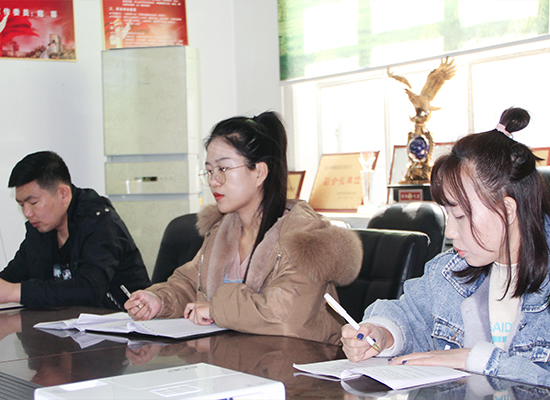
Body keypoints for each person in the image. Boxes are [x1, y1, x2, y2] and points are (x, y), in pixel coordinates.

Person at [341, 107, 550, 386]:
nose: (450, 232)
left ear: (507, 210)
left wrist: (478, 360)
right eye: (448, 215)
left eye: (461, 216)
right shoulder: (450, 270)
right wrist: (383, 334)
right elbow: (411, 315)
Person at [125, 111, 363, 344]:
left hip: (300, 363)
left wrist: (216, 308)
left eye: (223, 169)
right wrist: (159, 301)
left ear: (259, 172)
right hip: (236, 358)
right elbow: (190, 284)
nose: (213, 181)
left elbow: (284, 317)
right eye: (209, 171)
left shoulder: (305, 238)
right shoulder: (221, 231)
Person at [0, 151, 151, 310]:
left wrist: (15, 292)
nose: (27, 213)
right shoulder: (40, 228)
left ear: (63, 194)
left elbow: (90, 289)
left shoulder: (100, 222)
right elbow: (12, 277)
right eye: (21, 205)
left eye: (33, 203)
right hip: (65, 322)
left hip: (123, 320)